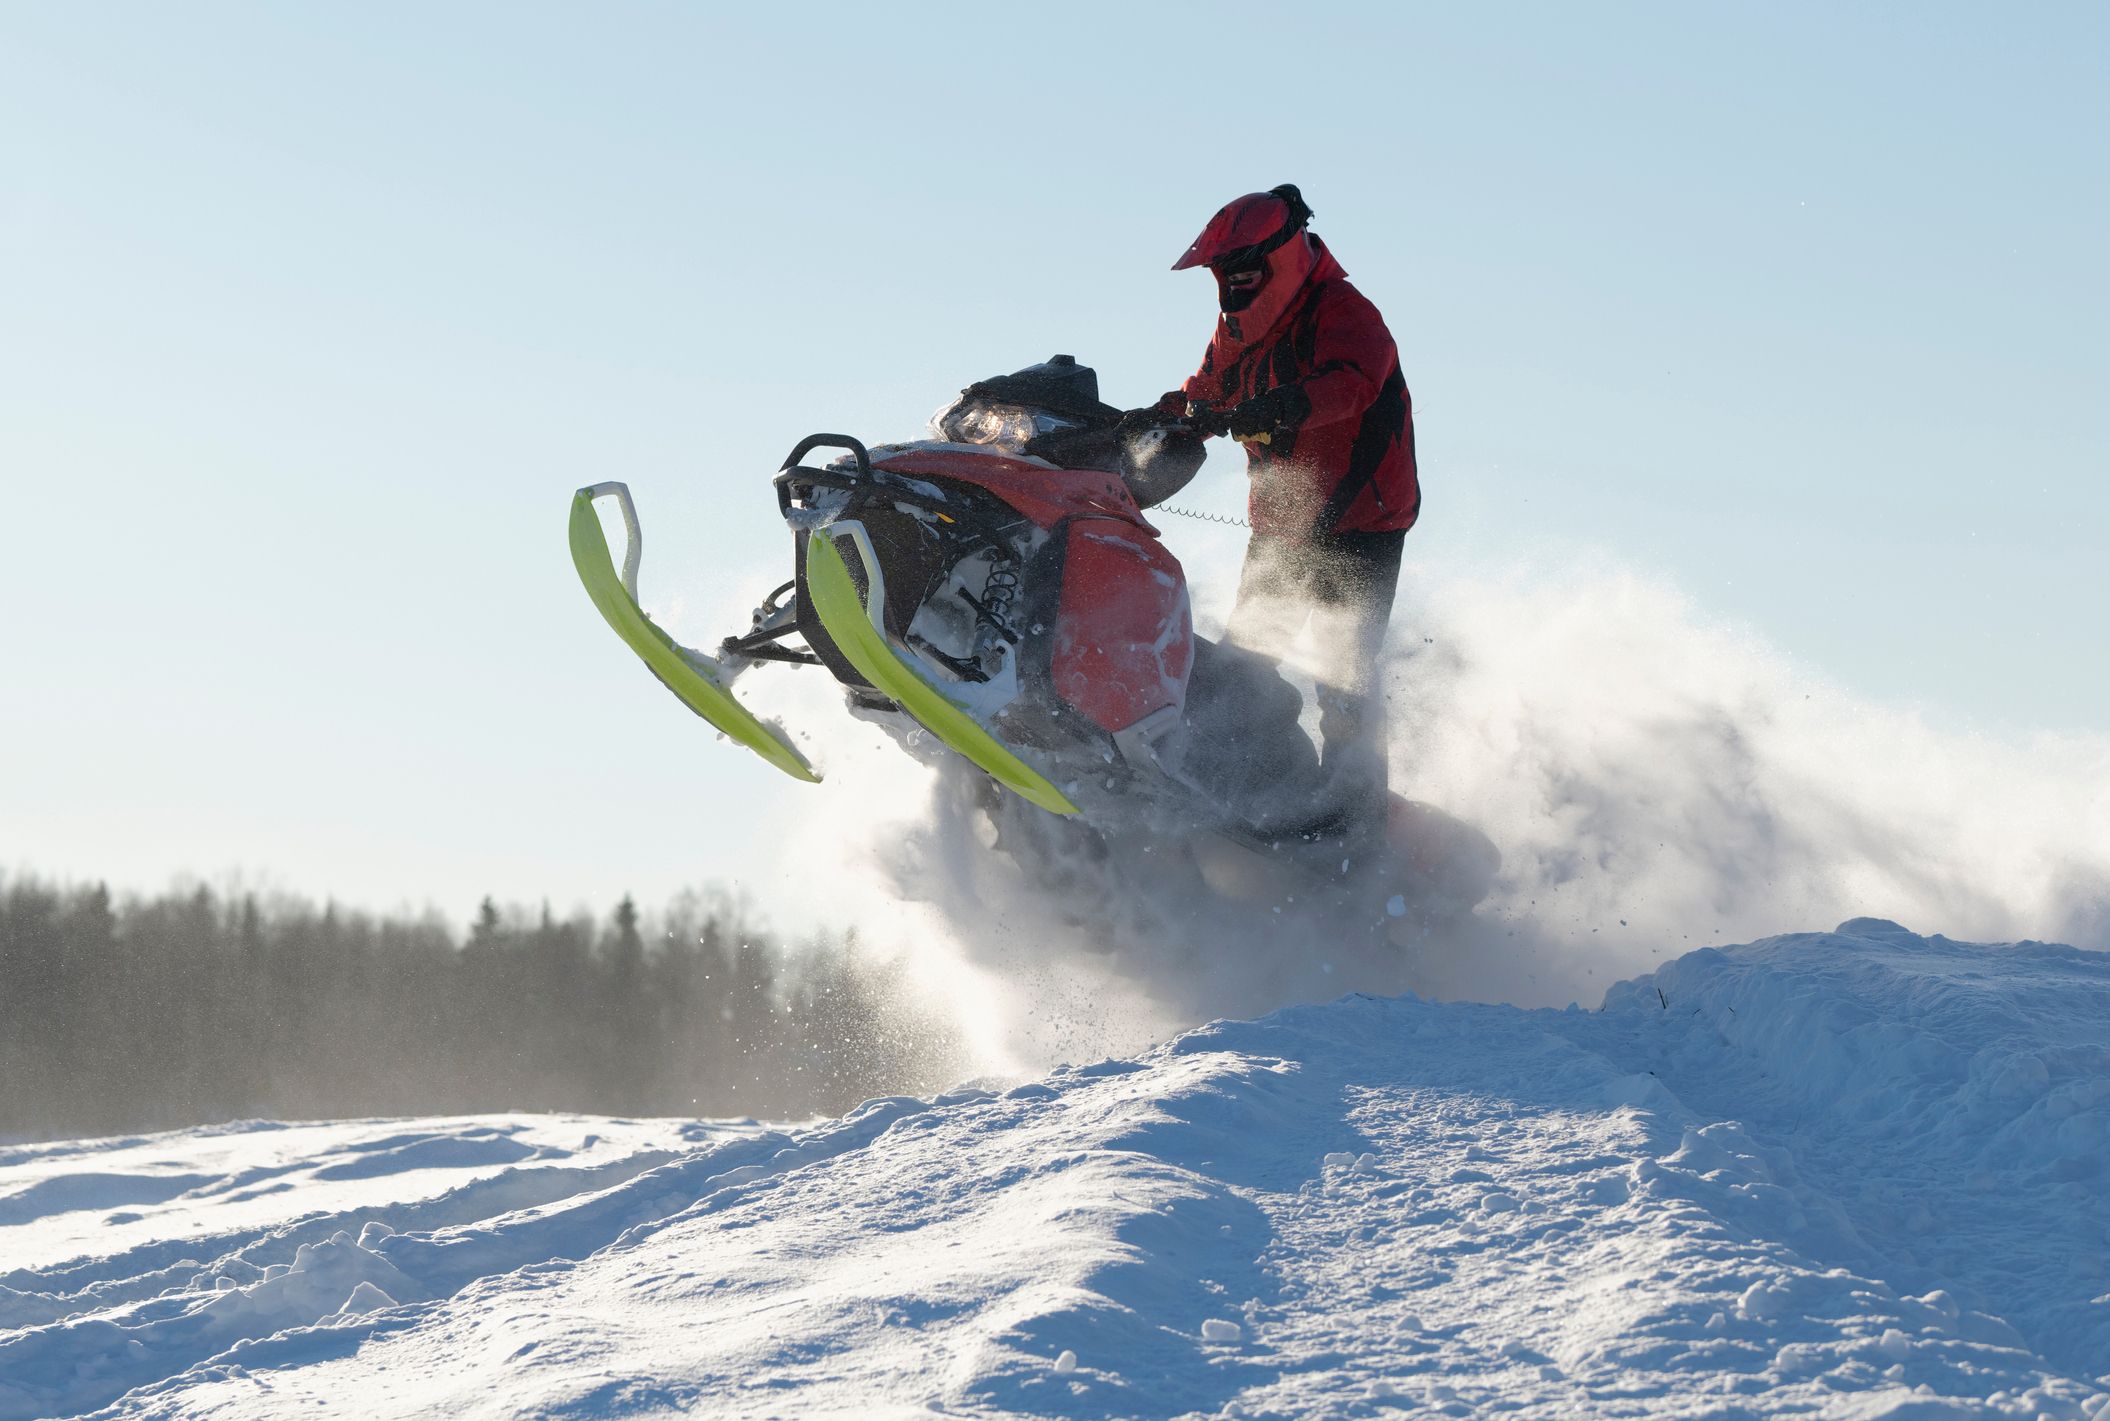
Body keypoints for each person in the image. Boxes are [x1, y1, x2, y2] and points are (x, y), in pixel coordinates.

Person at [1137, 184, 1419, 833]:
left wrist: (1280, 405)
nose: (1231, 288)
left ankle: (1353, 818)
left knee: (1345, 677)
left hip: (1362, 525)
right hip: (1286, 524)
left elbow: (1351, 384)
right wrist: (1156, 417)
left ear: (1282, 256)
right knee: (1246, 662)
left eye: (1242, 274)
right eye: (1221, 276)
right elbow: (1207, 389)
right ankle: (1247, 779)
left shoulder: (1347, 312)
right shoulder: (1238, 327)